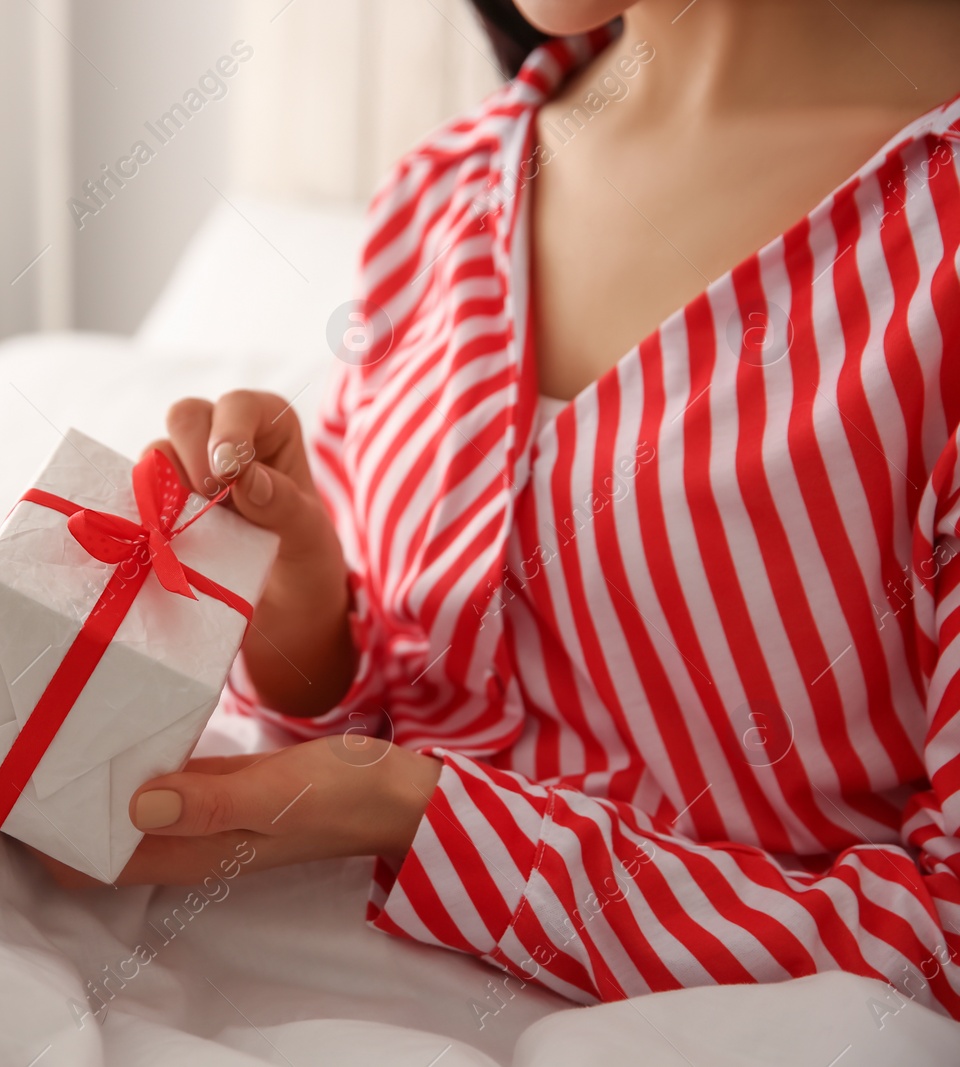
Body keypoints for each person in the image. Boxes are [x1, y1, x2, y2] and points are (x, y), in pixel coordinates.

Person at [71, 0, 960, 1020]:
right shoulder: (446, 188)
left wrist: (419, 816)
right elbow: (401, 705)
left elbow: (946, 949)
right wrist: (307, 631)